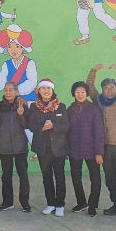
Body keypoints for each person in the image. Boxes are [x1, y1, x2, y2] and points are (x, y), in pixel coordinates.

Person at [87, 63, 116, 222]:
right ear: (102, 90)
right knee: (111, 179)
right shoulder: (98, 101)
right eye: (106, 88)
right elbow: (89, 87)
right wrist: (93, 71)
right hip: (105, 147)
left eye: (112, 88)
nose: (109, 90)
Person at [27, 78, 69, 217]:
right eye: (43, 88)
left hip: (58, 148)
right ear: (39, 91)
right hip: (42, 148)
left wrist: (54, 126)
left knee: (60, 177)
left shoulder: (61, 106)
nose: (46, 91)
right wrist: (42, 128)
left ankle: (60, 205)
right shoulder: (33, 107)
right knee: (47, 177)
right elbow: (31, 125)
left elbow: (66, 126)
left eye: (48, 89)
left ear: (52, 91)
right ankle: (50, 204)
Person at [67, 81, 105, 217]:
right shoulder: (70, 109)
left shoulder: (93, 109)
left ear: (87, 93)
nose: (80, 94)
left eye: (83, 92)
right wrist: (67, 150)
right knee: (75, 178)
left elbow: (99, 132)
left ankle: (92, 205)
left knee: (95, 179)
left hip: (92, 151)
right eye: (77, 92)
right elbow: (67, 131)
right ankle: (81, 202)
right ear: (74, 94)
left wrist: (99, 152)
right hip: (74, 150)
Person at [0, 82, 31, 212]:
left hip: (20, 147)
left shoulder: (23, 105)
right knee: (6, 175)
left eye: (10, 90)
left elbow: (26, 125)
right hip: (4, 147)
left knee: (23, 175)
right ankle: (8, 202)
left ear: (16, 92)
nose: (7, 92)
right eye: (5, 90)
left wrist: (21, 115)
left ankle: (25, 202)